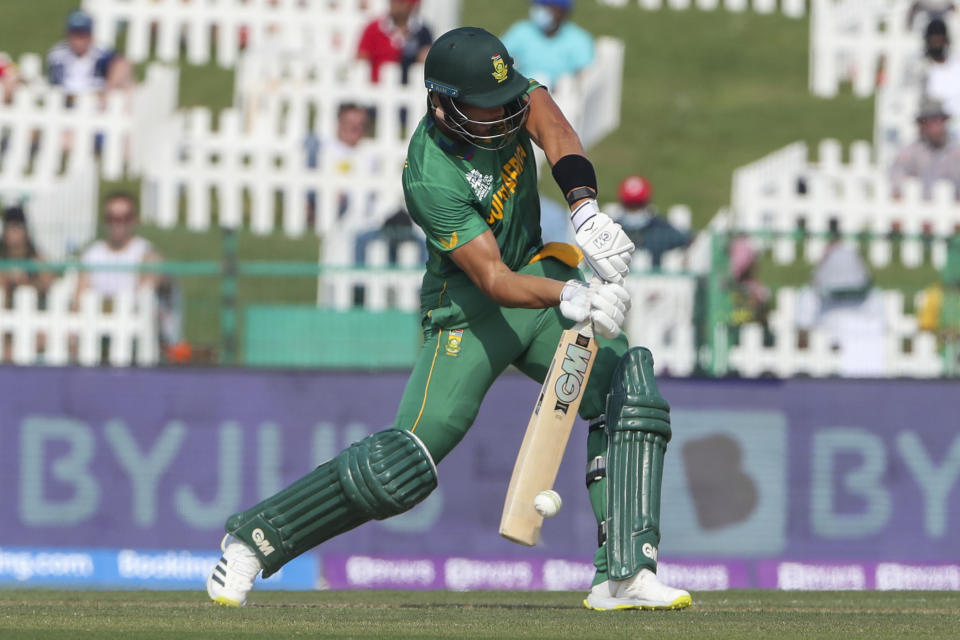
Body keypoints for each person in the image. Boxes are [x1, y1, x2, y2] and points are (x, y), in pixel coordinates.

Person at [206, 27, 691, 612]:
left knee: (629, 387)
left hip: (535, 276)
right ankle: (253, 543)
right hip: (468, 313)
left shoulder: (512, 97)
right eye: (485, 105)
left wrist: (584, 211)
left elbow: (556, 131)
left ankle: (625, 574)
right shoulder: (428, 174)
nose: (503, 112)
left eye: (506, 96)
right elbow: (492, 280)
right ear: (443, 103)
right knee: (400, 468)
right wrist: (572, 299)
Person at [501, 0, 594, 87]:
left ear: (562, 12)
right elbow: (498, 56)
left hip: (562, 98)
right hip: (524, 92)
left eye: (546, 7)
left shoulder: (578, 39)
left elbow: (586, 76)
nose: (539, 11)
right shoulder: (522, 30)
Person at [606, 175, 691, 269]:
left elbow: (686, 240)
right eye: (630, 205)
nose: (634, 210)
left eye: (638, 205)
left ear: (647, 204)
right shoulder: (613, 230)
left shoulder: (662, 230)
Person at [45, 9, 133, 98]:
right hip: (66, 104)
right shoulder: (57, 54)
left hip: (96, 103)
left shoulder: (101, 54)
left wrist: (108, 90)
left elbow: (123, 64)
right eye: (75, 35)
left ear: (90, 36)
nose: (78, 41)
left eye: (82, 35)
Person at [889, 97, 960, 199]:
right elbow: (896, 186)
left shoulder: (956, 152)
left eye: (939, 122)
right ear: (922, 126)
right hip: (917, 211)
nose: (935, 128)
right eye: (930, 123)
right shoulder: (909, 154)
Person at [356, 0, 433, 84]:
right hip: (377, 87)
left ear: (412, 6)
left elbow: (426, 61)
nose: (394, 5)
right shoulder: (374, 28)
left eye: (400, 2)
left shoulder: (422, 32)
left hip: (410, 88)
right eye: (392, 1)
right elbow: (361, 60)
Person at [922, 19, 960, 120]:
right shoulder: (921, 68)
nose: (937, 44)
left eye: (940, 40)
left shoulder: (956, 65)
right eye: (933, 41)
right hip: (934, 123)